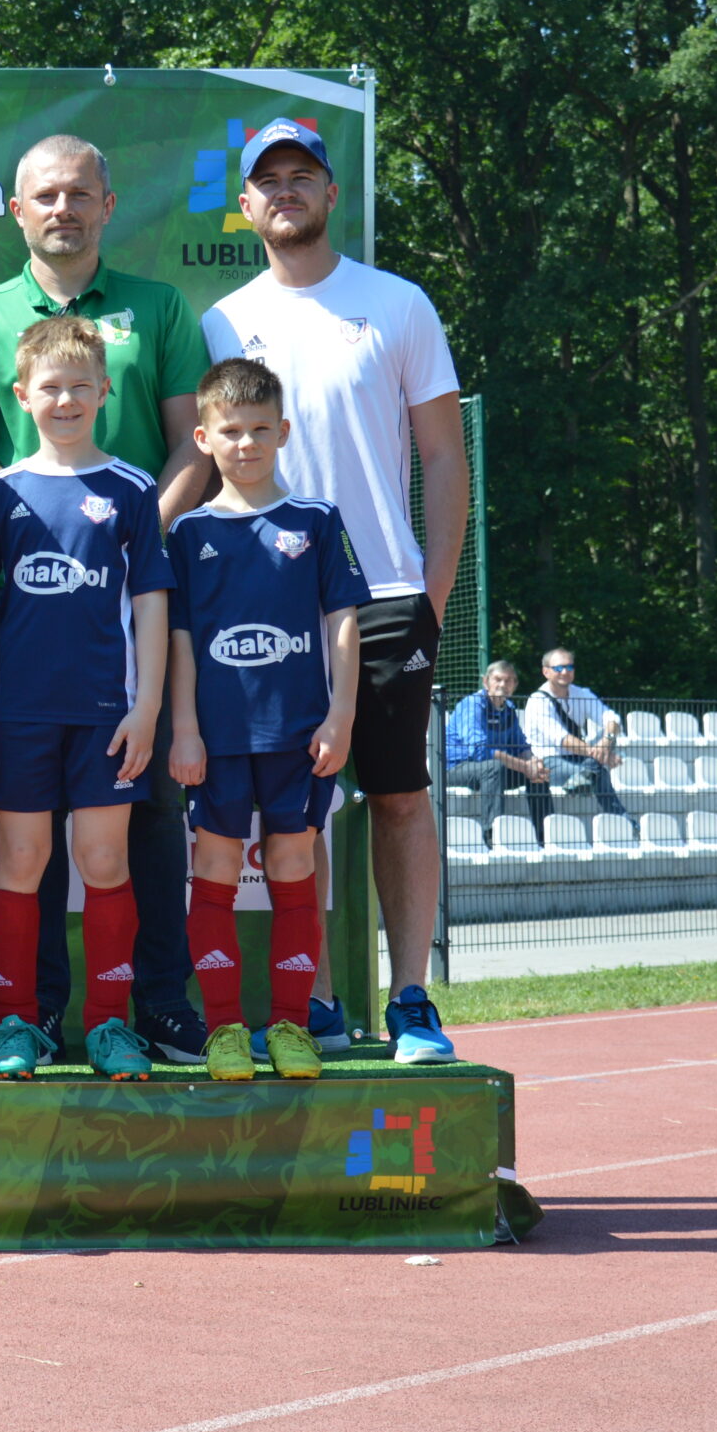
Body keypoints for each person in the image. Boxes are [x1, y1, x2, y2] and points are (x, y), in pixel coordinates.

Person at [0, 134, 215, 1067]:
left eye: (79, 193)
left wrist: (126, 532)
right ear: (18, 210)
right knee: (26, 858)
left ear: (108, 203)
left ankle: (149, 1008)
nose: (63, 208)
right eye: (45, 195)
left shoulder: (160, 306)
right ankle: (34, 1017)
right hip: (26, 636)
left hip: (123, 619)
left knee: (139, 836)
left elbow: (193, 446)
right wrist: (34, 518)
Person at [204, 116, 468, 1065]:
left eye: (301, 176)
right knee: (294, 814)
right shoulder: (221, 321)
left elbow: (444, 456)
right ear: (246, 205)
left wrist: (432, 597)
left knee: (398, 798)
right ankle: (307, 1001)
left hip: (388, 595)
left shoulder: (397, 303)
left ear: (330, 192)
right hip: (268, 607)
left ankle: (410, 1000)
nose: (286, 192)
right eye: (268, 180)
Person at [0, 315, 173, 1082]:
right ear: (21, 395)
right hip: (19, 716)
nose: (65, 400)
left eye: (80, 387)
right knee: (21, 862)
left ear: (105, 391)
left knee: (104, 860)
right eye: (50, 387)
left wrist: (147, 706)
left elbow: (150, 603)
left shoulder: (132, 488)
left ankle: (109, 1025)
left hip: (106, 716)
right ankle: (16, 1023)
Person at [165, 359, 369, 1082]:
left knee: (291, 868)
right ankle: (224, 1028)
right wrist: (184, 728)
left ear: (283, 431)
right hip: (217, 740)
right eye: (230, 431)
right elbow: (180, 640)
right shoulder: (188, 533)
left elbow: (343, 620)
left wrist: (341, 714)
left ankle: (290, 1025)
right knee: (215, 870)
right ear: (203, 438)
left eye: (259, 429)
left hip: (298, 734)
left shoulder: (316, 520)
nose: (246, 444)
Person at [445, 661, 553, 842]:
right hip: (455, 769)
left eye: (509, 680)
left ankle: (546, 835)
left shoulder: (508, 710)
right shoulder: (472, 704)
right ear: (486, 681)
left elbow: (521, 746)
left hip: (492, 770)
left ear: (515, 685)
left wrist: (533, 763)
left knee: (539, 773)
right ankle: (492, 836)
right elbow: (480, 751)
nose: (503, 685)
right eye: (498, 679)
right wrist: (524, 766)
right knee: (494, 768)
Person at [521, 648, 630, 816]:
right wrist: (600, 754)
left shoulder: (582, 693)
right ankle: (623, 819)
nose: (565, 672)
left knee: (608, 736)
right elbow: (561, 739)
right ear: (546, 671)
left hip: (580, 757)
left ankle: (584, 775)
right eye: (558, 668)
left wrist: (606, 742)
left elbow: (612, 718)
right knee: (599, 773)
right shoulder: (538, 701)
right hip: (549, 761)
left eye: (569, 667)